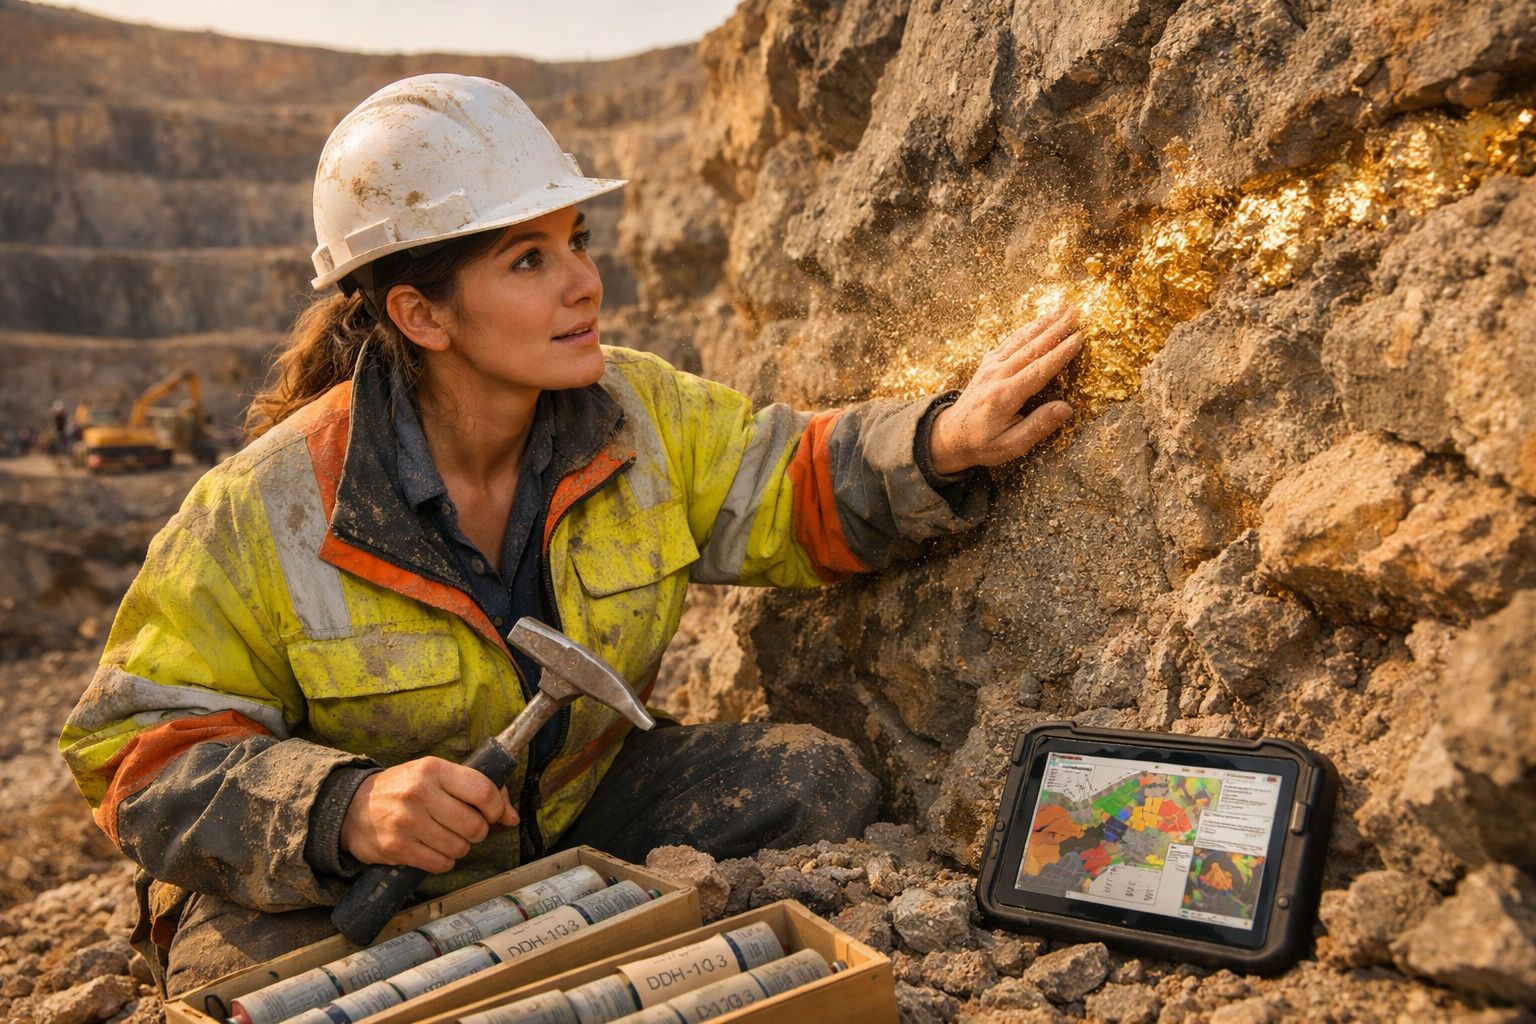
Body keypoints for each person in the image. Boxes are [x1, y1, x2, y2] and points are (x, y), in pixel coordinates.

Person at [59, 75, 1082, 994]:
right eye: (528, 258)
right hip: (351, 877)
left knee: (809, 778)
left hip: (576, 808)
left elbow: (791, 481)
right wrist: (344, 806)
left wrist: (946, 439)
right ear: (421, 313)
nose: (584, 283)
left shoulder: (635, 412)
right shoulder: (261, 508)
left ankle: (559, 946)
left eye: (577, 243)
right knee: (231, 987)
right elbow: (134, 752)